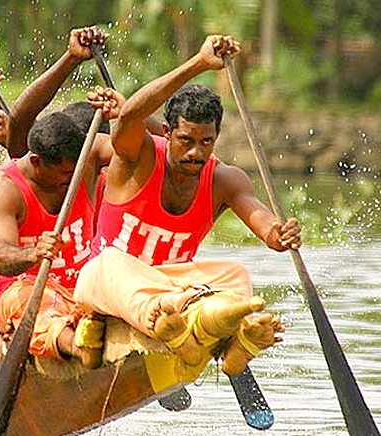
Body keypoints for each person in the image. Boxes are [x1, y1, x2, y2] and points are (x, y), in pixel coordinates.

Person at [74, 35, 295, 376]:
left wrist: (281, 235)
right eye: (186, 141)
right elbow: (131, 115)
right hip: (108, 282)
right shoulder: (140, 155)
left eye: (206, 142)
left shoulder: (225, 179)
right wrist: (199, 63)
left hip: (172, 285)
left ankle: (238, 338)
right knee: (109, 264)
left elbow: (266, 227)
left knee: (236, 273)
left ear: (217, 137)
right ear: (167, 133)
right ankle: (199, 323)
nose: (196, 153)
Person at [0, 26, 116, 368]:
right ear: (36, 162)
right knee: (30, 300)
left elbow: (146, 149)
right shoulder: (3, 189)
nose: (71, 179)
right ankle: (76, 345)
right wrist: (33, 253)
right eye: (63, 173)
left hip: (85, 286)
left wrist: (125, 110)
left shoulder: (88, 157)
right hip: (25, 291)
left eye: (75, 171)